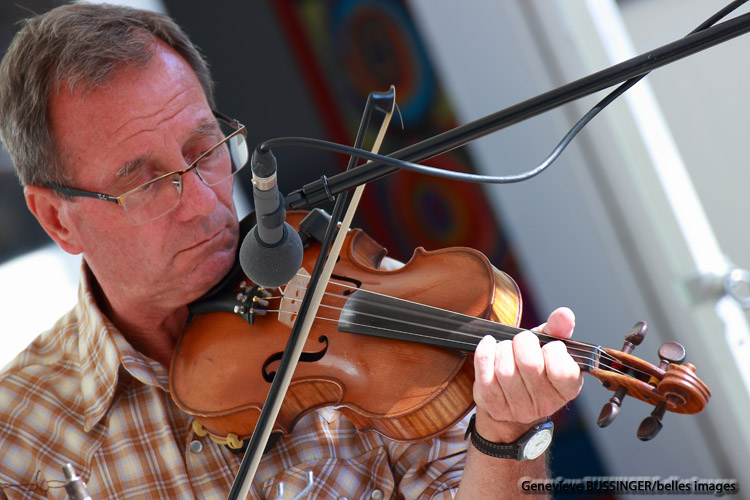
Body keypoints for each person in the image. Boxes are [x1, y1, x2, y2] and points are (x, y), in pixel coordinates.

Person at [0, 3, 582, 499]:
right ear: (57, 218)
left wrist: (505, 435)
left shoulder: (349, 292)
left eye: (205, 149)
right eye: (146, 182)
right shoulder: (20, 449)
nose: (203, 203)